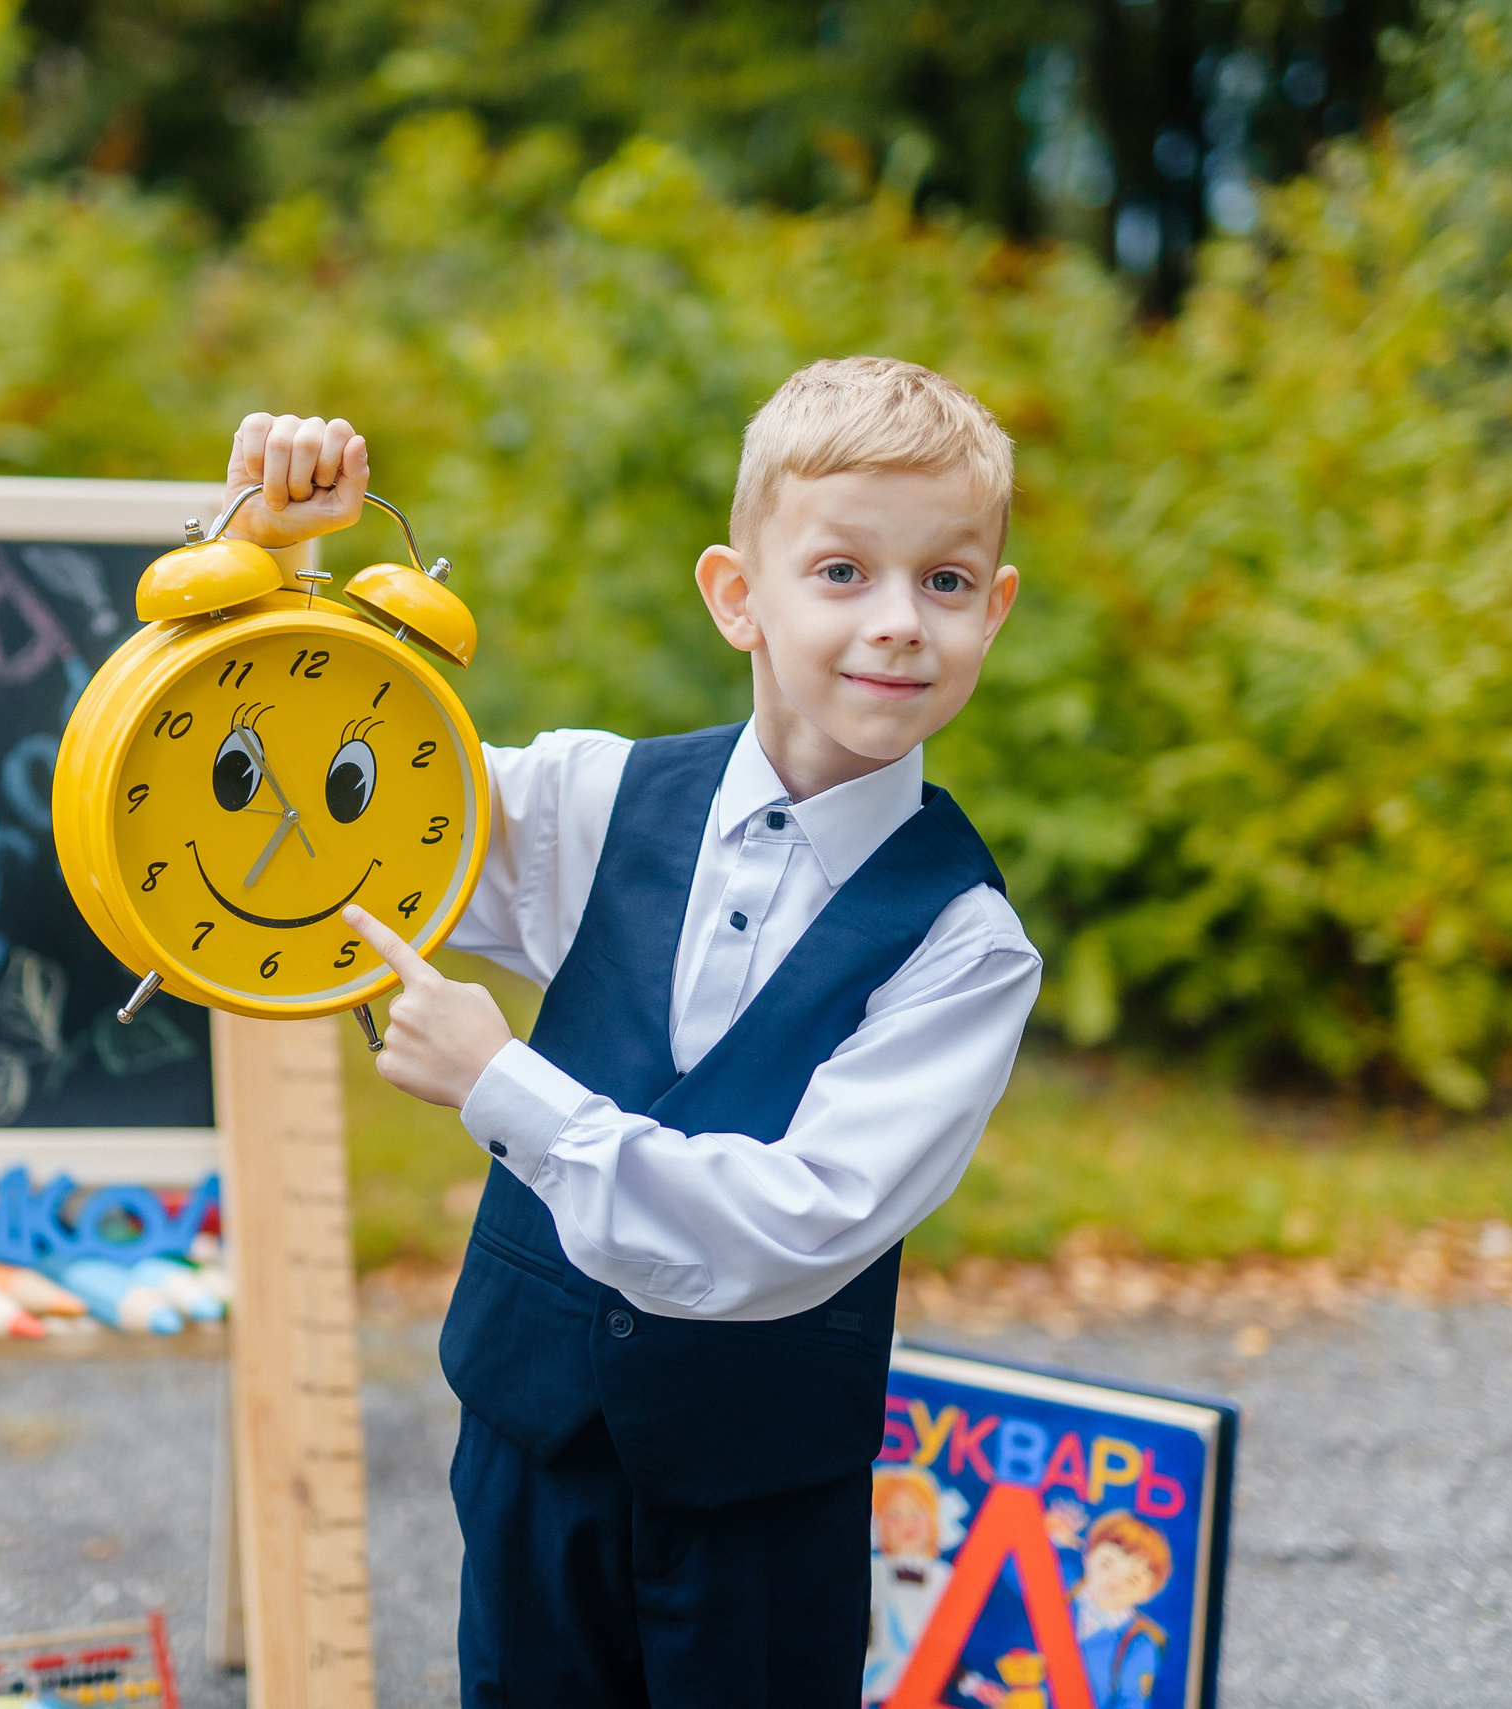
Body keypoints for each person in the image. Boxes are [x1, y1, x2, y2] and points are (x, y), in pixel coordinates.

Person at [222, 356, 1041, 1709]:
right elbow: (291, 802)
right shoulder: (589, 797)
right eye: (842, 571)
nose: (898, 622)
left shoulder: (965, 944)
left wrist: (503, 1084)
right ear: (738, 595)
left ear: (993, 611)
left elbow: (794, 1224)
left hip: (759, 1503)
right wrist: (270, 556)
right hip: (531, 1446)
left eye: (944, 581)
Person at [1044, 1503, 1172, 1709]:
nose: (1114, 1581)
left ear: (1148, 1593)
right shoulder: (1061, 1586)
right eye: (1106, 1564)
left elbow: (1130, 1703)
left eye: (1132, 1580)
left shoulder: (1138, 1642)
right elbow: (1011, 1565)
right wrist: (1044, 1533)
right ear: (1087, 1555)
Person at [864, 1466, 955, 1702]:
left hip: (929, 1692)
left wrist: (972, 1684)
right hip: (877, 1690)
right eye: (894, 1515)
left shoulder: (944, 1577)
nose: (907, 1523)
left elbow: (948, 1644)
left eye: (917, 1513)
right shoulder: (872, 1571)